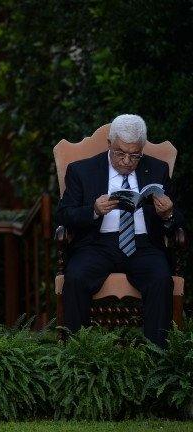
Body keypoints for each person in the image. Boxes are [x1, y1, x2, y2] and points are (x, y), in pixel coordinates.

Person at [57, 114, 184, 346]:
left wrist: (168, 213)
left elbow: (180, 218)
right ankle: (75, 354)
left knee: (161, 278)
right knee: (75, 277)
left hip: (143, 245)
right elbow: (65, 214)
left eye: (134, 155)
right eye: (120, 153)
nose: (126, 161)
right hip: (97, 245)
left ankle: (157, 358)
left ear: (142, 149)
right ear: (109, 144)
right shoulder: (82, 170)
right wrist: (93, 210)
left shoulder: (158, 170)